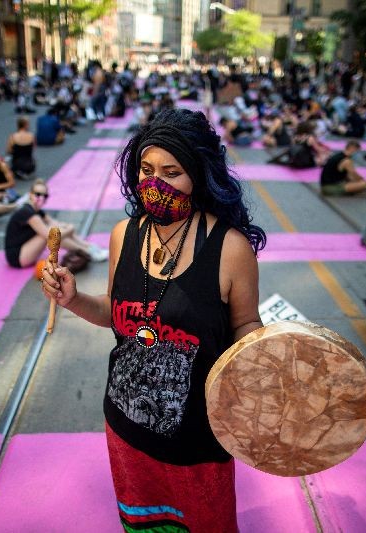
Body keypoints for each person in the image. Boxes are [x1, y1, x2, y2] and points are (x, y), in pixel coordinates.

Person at [41, 108, 265, 532]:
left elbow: (245, 327)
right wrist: (73, 300)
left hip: (198, 441)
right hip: (126, 430)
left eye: (172, 171)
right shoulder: (123, 235)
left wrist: (270, 354)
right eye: (146, 169)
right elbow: (115, 313)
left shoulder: (231, 249)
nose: (155, 183)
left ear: (199, 175)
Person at [4, 179, 107, 268]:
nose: (42, 198)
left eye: (45, 195)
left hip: (25, 250)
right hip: (17, 257)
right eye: (38, 194)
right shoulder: (27, 212)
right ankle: (87, 251)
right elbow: (51, 236)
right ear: (30, 194)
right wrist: (69, 229)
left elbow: (55, 223)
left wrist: (66, 227)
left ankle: (88, 247)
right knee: (51, 235)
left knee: (56, 229)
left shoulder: (37, 211)